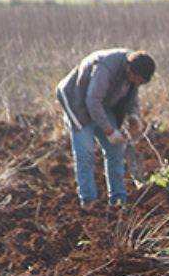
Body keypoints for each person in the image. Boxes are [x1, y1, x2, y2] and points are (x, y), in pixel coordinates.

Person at [55, 49, 156, 207]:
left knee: (116, 149)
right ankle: (88, 201)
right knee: (86, 152)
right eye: (136, 79)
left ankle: (118, 198)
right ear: (129, 69)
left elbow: (132, 97)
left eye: (140, 82)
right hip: (77, 101)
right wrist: (109, 130)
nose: (137, 83)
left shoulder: (135, 71)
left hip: (101, 104)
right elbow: (92, 101)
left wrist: (133, 117)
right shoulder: (105, 67)